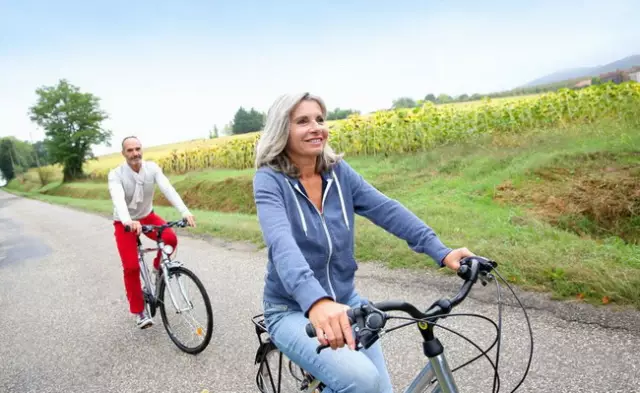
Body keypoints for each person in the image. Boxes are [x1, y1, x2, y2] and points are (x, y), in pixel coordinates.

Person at [252, 93, 475, 393]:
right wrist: (316, 302)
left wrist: (441, 250)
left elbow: (386, 209)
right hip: (292, 309)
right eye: (302, 121)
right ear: (282, 130)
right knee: (362, 381)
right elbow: (281, 244)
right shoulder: (269, 180)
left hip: (347, 303)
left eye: (320, 119)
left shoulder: (337, 173)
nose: (316, 127)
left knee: (380, 390)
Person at [108, 136, 196, 329]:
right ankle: (139, 311)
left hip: (147, 216)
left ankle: (158, 268)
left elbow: (168, 189)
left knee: (170, 238)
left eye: (137, 149)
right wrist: (128, 221)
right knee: (131, 267)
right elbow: (118, 199)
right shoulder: (116, 174)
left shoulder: (152, 169)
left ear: (142, 150)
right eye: (130, 150)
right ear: (123, 153)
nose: (135, 153)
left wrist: (185, 211)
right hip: (125, 223)